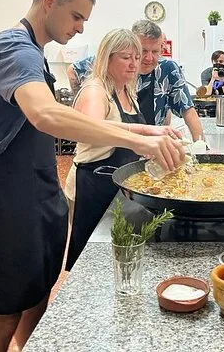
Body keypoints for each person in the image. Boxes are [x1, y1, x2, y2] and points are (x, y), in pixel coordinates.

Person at [0, 0, 186, 352]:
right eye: (76, 16)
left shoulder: (33, 52)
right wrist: (138, 140)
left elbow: (68, 121)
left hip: (37, 192)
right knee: (4, 313)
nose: (81, 28)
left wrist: (146, 133)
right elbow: (45, 114)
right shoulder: (13, 47)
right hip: (7, 197)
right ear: (49, 2)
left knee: (36, 298)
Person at [64, 28, 167, 271]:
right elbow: (94, 128)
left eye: (136, 58)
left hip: (115, 185)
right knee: (92, 263)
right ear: (107, 58)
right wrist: (145, 132)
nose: (134, 64)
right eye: (126, 57)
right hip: (92, 185)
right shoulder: (96, 90)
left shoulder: (127, 90)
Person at [133, 19, 204, 141]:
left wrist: (202, 145)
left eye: (155, 51)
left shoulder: (167, 68)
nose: (149, 58)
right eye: (143, 51)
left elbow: (187, 109)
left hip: (154, 145)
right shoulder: (119, 68)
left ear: (161, 48)